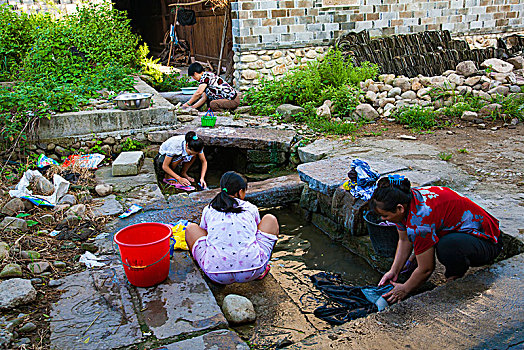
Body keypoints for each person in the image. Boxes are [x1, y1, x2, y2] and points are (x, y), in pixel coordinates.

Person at [369, 175, 501, 304]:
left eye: (385, 216)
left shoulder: (420, 220)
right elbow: (404, 240)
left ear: (399, 209)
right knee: (425, 247)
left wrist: (405, 289)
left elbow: (426, 269)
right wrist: (394, 271)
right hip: (460, 231)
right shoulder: (407, 200)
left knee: (446, 246)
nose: (382, 220)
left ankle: (454, 276)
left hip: (487, 242)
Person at [185, 171, 279, 284]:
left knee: (191, 228)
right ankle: (262, 269)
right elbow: (256, 232)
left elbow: (204, 232)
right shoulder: (250, 208)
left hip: (215, 274)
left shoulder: (209, 209)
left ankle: (211, 268)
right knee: (270, 219)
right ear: (240, 192)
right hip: (253, 270)